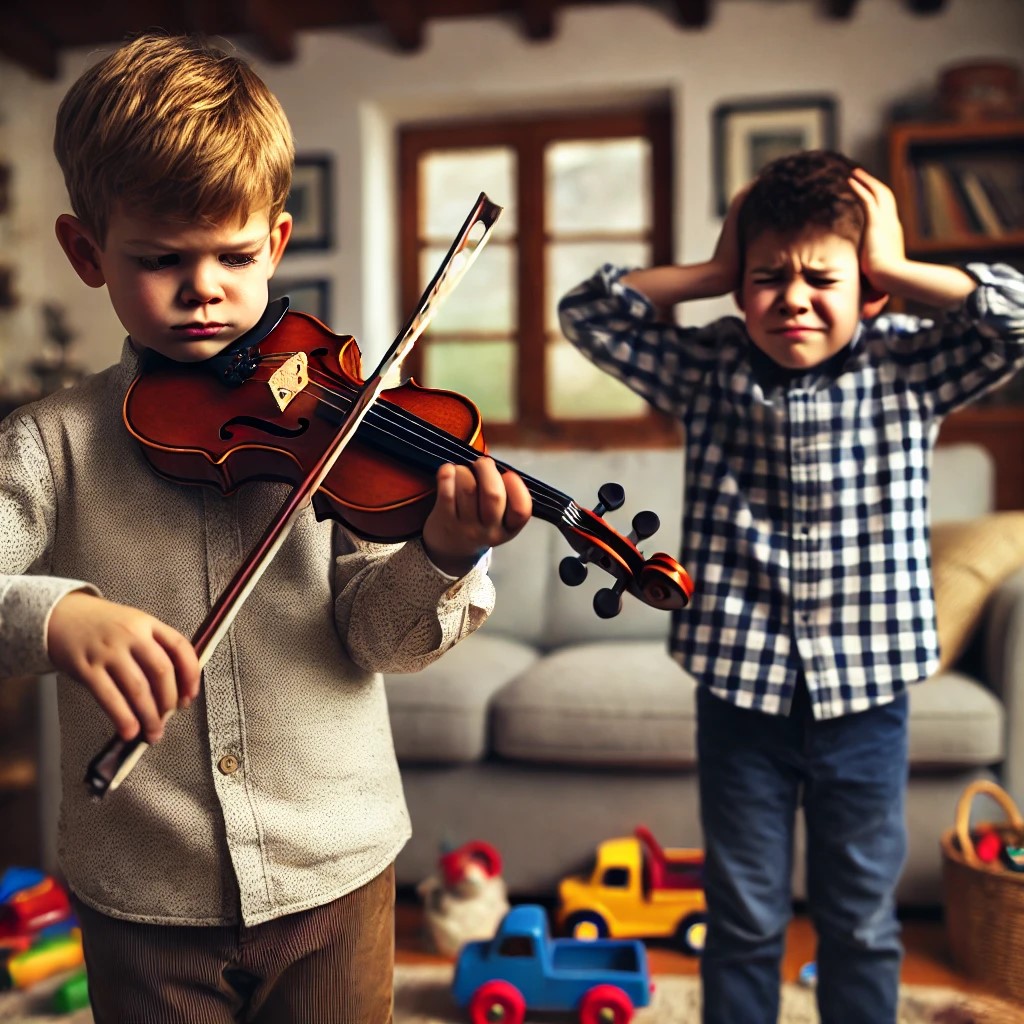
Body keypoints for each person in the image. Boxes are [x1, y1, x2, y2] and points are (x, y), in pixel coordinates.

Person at [0, 31, 531, 1024]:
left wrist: (442, 556)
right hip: (143, 889)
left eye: (234, 256)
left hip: (336, 872)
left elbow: (376, 638)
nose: (204, 287)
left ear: (276, 242)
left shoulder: (342, 418)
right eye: (161, 260)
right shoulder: (50, 443)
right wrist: (58, 616)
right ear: (87, 252)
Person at [558, 149, 1024, 1024]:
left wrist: (891, 261)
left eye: (824, 276)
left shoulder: (911, 368)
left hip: (867, 697)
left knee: (861, 916)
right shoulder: (711, 368)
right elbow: (588, 314)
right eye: (768, 277)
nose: (795, 297)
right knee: (742, 915)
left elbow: (1018, 320)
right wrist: (709, 267)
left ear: (869, 292)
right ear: (741, 289)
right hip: (742, 693)